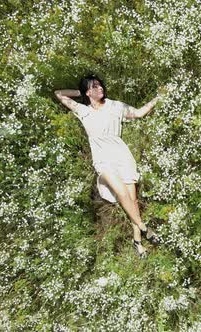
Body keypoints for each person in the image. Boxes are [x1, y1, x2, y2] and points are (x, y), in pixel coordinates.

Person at [54, 75, 161, 258]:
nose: (100, 88)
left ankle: (138, 243)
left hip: (123, 158)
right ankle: (144, 228)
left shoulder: (115, 106)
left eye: (100, 85)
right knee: (121, 193)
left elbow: (139, 113)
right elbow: (59, 94)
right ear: (88, 92)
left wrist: (158, 98)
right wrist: (80, 92)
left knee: (132, 202)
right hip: (103, 161)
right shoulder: (82, 110)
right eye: (94, 86)